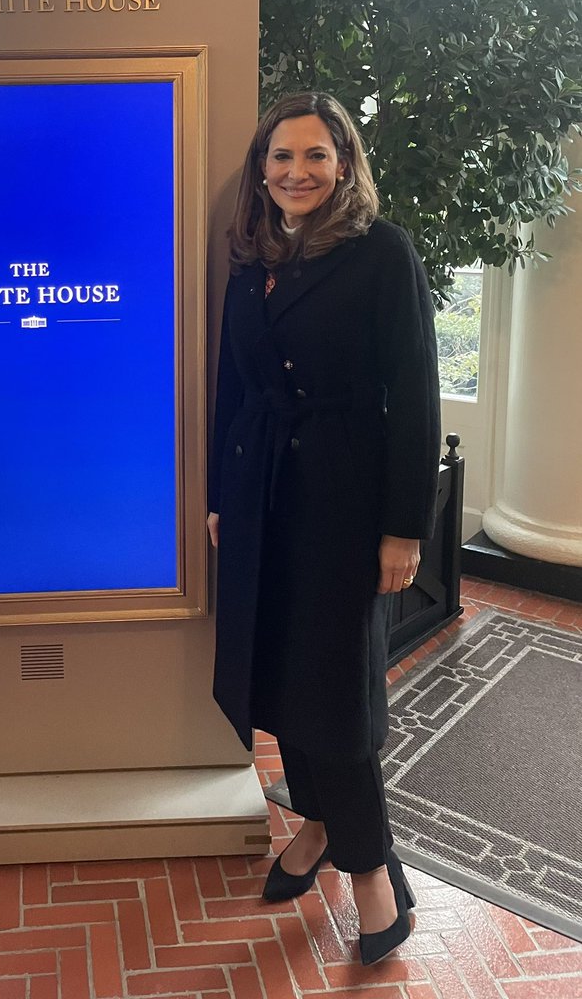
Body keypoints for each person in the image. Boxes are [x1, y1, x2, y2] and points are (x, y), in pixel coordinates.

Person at [207, 91, 441, 965]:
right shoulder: (251, 254)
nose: (295, 173)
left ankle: (375, 880)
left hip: (346, 501)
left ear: (344, 163)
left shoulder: (383, 254)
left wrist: (401, 528)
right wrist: (221, 495)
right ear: (260, 169)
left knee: (337, 692)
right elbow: (232, 385)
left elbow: (415, 394)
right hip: (261, 491)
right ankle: (312, 827)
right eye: (280, 157)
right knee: (278, 674)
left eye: (314, 156)